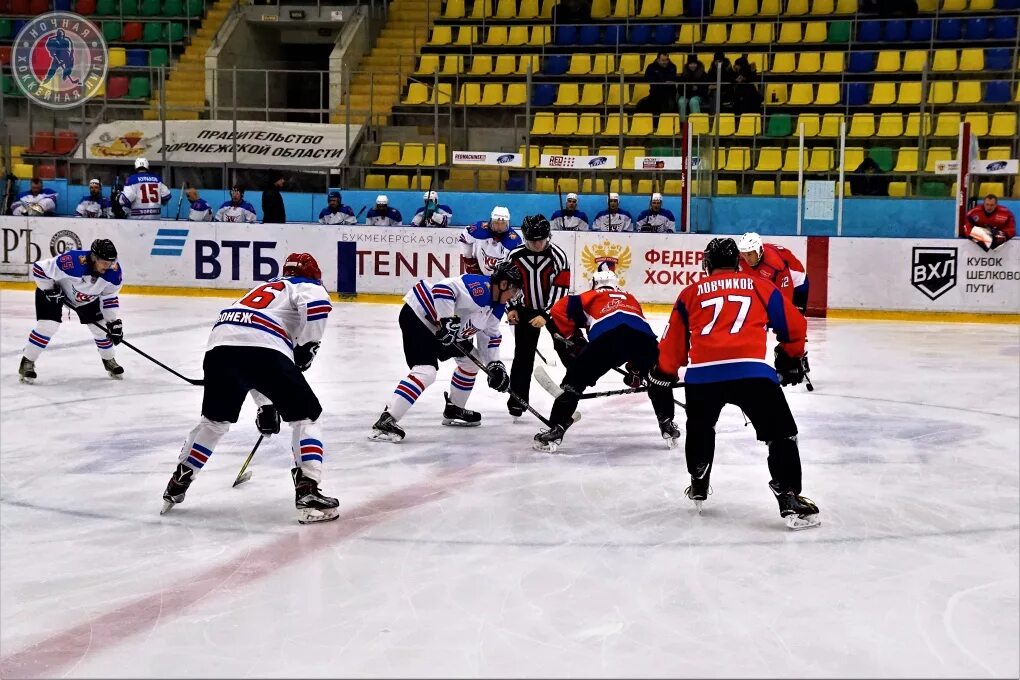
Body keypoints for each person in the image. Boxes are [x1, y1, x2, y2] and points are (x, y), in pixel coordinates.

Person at [650, 237, 819, 530]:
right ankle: (789, 496)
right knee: (781, 435)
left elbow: (673, 344)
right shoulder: (761, 286)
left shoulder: (690, 293)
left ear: (708, 264)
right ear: (736, 263)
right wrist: (790, 357)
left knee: (701, 428)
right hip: (752, 374)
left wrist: (663, 374)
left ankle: (699, 481)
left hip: (703, 377)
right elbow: (795, 326)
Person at [159, 253, 339, 524]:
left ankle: (180, 478)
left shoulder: (262, 288)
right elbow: (313, 310)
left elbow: (246, 347)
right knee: (306, 417)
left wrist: (266, 405)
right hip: (264, 350)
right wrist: (307, 346)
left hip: (219, 350)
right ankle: (308, 489)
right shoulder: (307, 285)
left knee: (213, 422)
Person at [369, 260, 521, 442]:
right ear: (503, 284)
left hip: (445, 332)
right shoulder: (481, 288)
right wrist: (447, 320)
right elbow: (442, 289)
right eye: (513, 290)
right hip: (420, 315)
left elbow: (491, 338)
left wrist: (496, 367)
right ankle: (387, 419)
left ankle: (454, 409)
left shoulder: (497, 307)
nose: (514, 295)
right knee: (426, 372)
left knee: (472, 363)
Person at [532, 265, 663, 452]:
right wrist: (637, 367)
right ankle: (666, 421)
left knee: (574, 382)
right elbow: (634, 332)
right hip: (647, 341)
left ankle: (557, 427)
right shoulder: (630, 298)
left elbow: (558, 310)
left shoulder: (589, 296)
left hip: (608, 340)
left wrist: (573, 340)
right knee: (656, 380)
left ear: (595, 284)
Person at [18, 239, 124, 383]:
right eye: (105, 262)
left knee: (101, 328)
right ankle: (27, 362)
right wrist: (50, 290)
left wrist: (113, 323)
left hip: (87, 299)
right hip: (55, 291)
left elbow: (109, 297)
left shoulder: (113, 272)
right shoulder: (72, 261)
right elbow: (39, 269)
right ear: (94, 257)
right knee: (48, 326)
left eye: (111, 262)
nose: (110, 266)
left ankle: (109, 359)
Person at [503, 214, 574, 418]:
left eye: (541, 239)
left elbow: (561, 289)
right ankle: (517, 399)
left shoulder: (559, 256)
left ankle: (574, 389)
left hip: (555, 310)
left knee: (567, 349)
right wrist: (511, 307)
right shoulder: (514, 256)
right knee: (523, 356)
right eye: (532, 240)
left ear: (548, 236)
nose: (537, 244)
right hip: (525, 309)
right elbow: (508, 285)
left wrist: (546, 313)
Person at [736, 232, 809, 313]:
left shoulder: (775, 264)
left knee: (792, 318)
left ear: (759, 251)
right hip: (773, 280)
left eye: (749, 254)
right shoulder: (740, 259)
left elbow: (785, 297)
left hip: (798, 284)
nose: (747, 259)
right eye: (744, 254)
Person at [459, 206, 523, 276]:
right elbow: (464, 238)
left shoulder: (514, 241)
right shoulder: (480, 229)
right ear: (491, 222)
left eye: (503, 224)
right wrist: (468, 260)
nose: (499, 227)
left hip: (500, 280)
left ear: (507, 224)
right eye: (496, 223)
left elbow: (518, 265)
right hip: (479, 273)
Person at [636, 52, 678, 119]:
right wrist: (664, 83)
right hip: (655, 94)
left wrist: (663, 82)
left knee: (669, 105)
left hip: (669, 94)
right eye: (663, 60)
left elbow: (672, 80)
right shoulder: (651, 67)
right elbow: (648, 79)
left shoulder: (672, 67)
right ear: (658, 59)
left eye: (667, 60)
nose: (665, 62)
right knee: (641, 104)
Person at [677, 54, 708, 122]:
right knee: (681, 101)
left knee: (693, 102)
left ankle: (696, 122)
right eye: (691, 64)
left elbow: (705, 89)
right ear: (688, 64)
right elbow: (680, 89)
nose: (692, 65)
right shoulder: (684, 74)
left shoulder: (703, 74)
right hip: (686, 94)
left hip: (698, 95)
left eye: (694, 64)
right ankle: (683, 123)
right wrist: (689, 88)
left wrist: (697, 88)